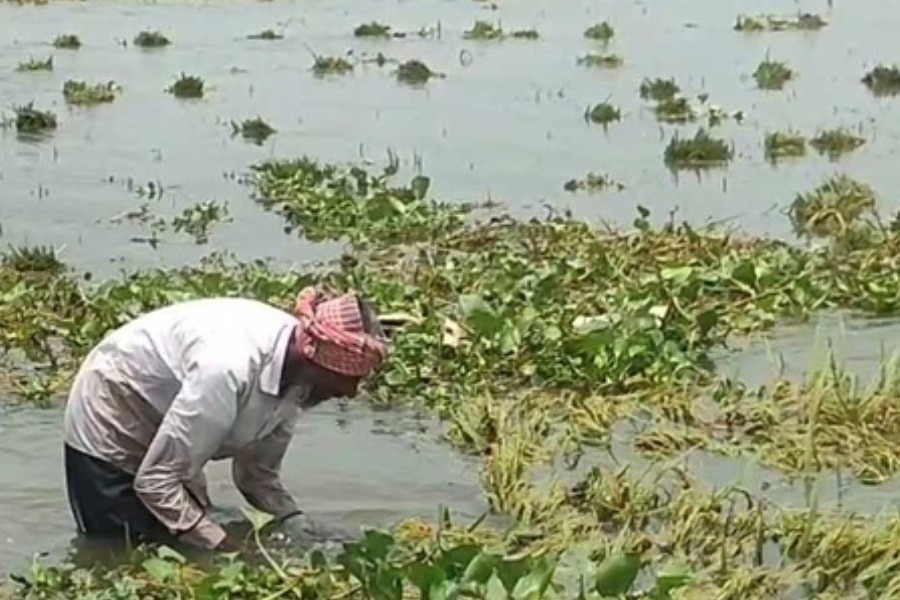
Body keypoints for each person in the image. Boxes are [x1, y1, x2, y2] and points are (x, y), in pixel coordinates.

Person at [62, 286, 389, 552]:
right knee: (122, 551)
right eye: (349, 378)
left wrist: (300, 526)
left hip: (167, 413)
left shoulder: (298, 382)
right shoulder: (227, 368)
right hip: (114, 407)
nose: (350, 392)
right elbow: (156, 481)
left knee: (185, 532)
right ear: (320, 361)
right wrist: (226, 549)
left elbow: (256, 476)